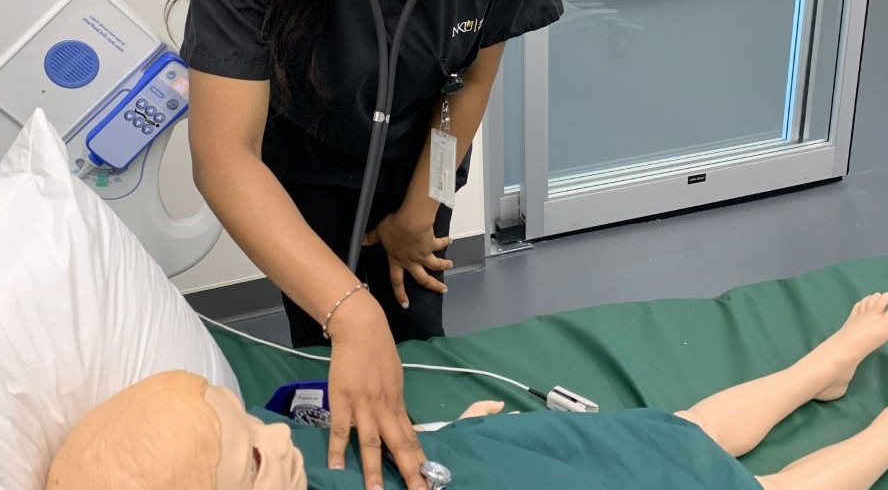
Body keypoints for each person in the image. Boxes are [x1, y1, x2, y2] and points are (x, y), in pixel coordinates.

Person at [163, 0, 562, 488]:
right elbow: (224, 155)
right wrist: (348, 311)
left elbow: (469, 79)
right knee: (326, 342)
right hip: (299, 178)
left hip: (423, 163)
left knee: (417, 340)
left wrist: (420, 209)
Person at [47, 294, 888, 490]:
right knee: (746, 487)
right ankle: (876, 442)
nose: (272, 438)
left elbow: (351, 451)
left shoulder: (281, 450)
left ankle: (828, 364)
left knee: (673, 429)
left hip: (475, 456)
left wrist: (454, 429)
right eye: (250, 458)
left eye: (244, 420)